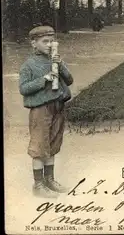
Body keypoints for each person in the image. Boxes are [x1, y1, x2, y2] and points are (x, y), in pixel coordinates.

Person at [19, 25, 74, 198]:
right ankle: (38, 184)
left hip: (57, 106)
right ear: (34, 44)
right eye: (45, 41)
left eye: (52, 41)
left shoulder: (56, 59)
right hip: (41, 109)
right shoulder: (29, 65)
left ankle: (49, 179)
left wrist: (60, 66)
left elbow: (70, 80)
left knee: (52, 144)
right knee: (39, 146)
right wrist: (44, 79)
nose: (49, 45)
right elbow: (24, 88)